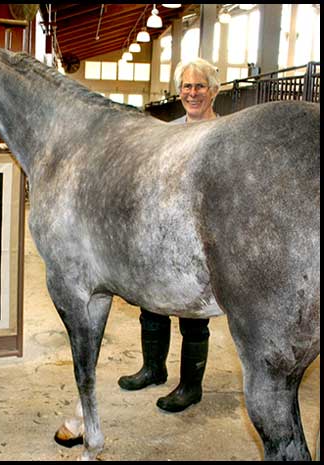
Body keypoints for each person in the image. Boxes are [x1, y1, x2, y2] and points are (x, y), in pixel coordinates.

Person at [118, 58, 220, 413]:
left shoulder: (223, 134)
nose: (193, 93)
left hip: (199, 235)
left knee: (194, 315)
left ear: (214, 90)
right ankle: (152, 368)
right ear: (179, 92)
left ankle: (191, 386)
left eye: (200, 86)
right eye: (187, 87)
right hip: (162, 231)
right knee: (151, 305)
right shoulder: (167, 131)